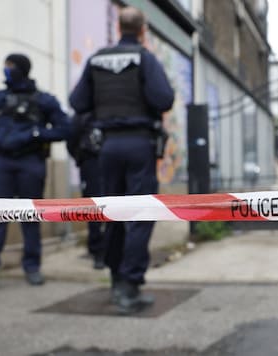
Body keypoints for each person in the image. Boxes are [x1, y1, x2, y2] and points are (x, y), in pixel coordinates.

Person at [69, 6, 174, 314]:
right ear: (142, 31)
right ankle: (129, 286)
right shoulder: (145, 58)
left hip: (107, 148)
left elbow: (77, 103)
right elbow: (164, 99)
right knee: (140, 214)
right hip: (139, 145)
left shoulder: (97, 59)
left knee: (112, 213)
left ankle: (116, 279)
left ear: (118, 29)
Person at [0, 53, 71, 297]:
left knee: (30, 217)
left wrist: (36, 134)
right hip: (1, 162)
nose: (7, 70)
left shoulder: (44, 100)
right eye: (6, 66)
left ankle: (32, 267)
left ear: (22, 68)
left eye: (11, 66)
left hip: (31, 162)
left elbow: (65, 129)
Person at [66, 112, 106, 269]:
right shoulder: (86, 113)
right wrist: (81, 157)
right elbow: (71, 136)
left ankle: (112, 249)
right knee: (94, 208)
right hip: (92, 163)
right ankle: (98, 251)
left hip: (111, 161)